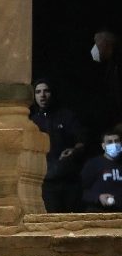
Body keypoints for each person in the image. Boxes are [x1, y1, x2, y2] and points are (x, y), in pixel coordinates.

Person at [30, 79, 87, 213]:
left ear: (52, 93)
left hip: (69, 180)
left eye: (46, 91)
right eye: (38, 92)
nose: (42, 95)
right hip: (46, 181)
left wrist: (75, 150)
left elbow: (82, 140)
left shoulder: (66, 116)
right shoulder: (32, 121)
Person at [81, 128, 122, 212]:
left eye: (116, 141)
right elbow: (82, 190)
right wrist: (98, 197)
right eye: (110, 142)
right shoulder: (93, 164)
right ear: (103, 146)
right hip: (99, 212)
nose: (114, 144)